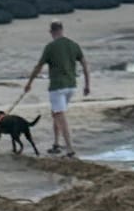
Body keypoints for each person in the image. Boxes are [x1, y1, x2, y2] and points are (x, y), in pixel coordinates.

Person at [21, 21, 91, 155]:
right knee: (56, 113)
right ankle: (56, 144)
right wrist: (87, 85)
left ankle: (70, 148)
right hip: (71, 86)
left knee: (60, 115)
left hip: (57, 87)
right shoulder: (73, 45)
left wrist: (29, 83)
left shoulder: (50, 47)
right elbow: (85, 65)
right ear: (62, 30)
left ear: (51, 32)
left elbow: (39, 67)